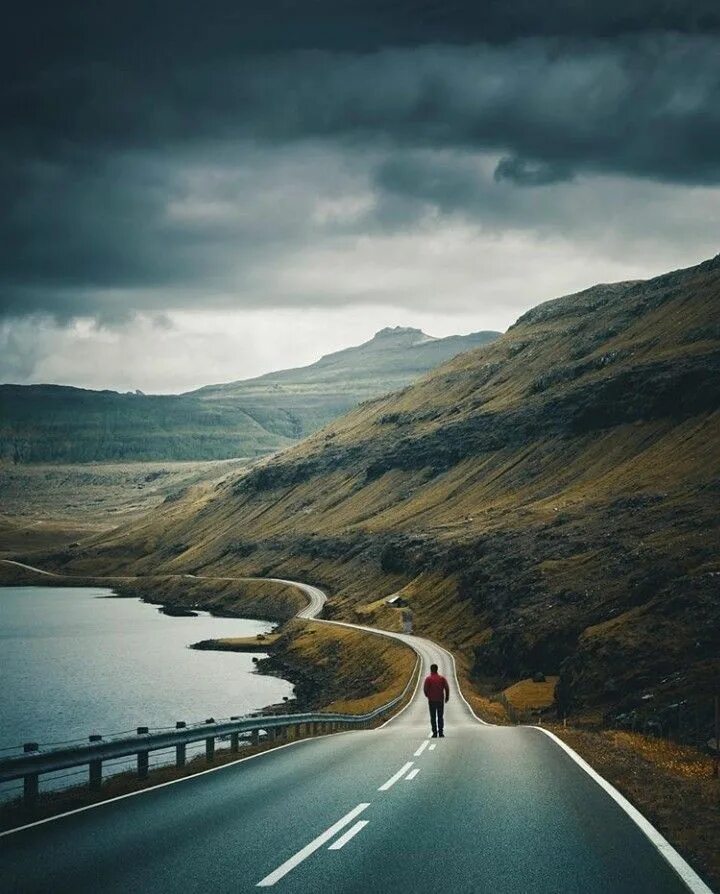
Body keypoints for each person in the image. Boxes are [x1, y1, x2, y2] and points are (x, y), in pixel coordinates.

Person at [423, 663, 449, 737]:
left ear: (431, 669)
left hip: (432, 701)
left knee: (433, 717)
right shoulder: (442, 678)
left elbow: (425, 689)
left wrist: (427, 695)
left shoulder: (428, 679)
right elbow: (447, 688)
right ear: (437, 669)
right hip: (440, 700)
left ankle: (434, 733)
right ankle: (441, 732)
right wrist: (447, 697)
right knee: (440, 716)